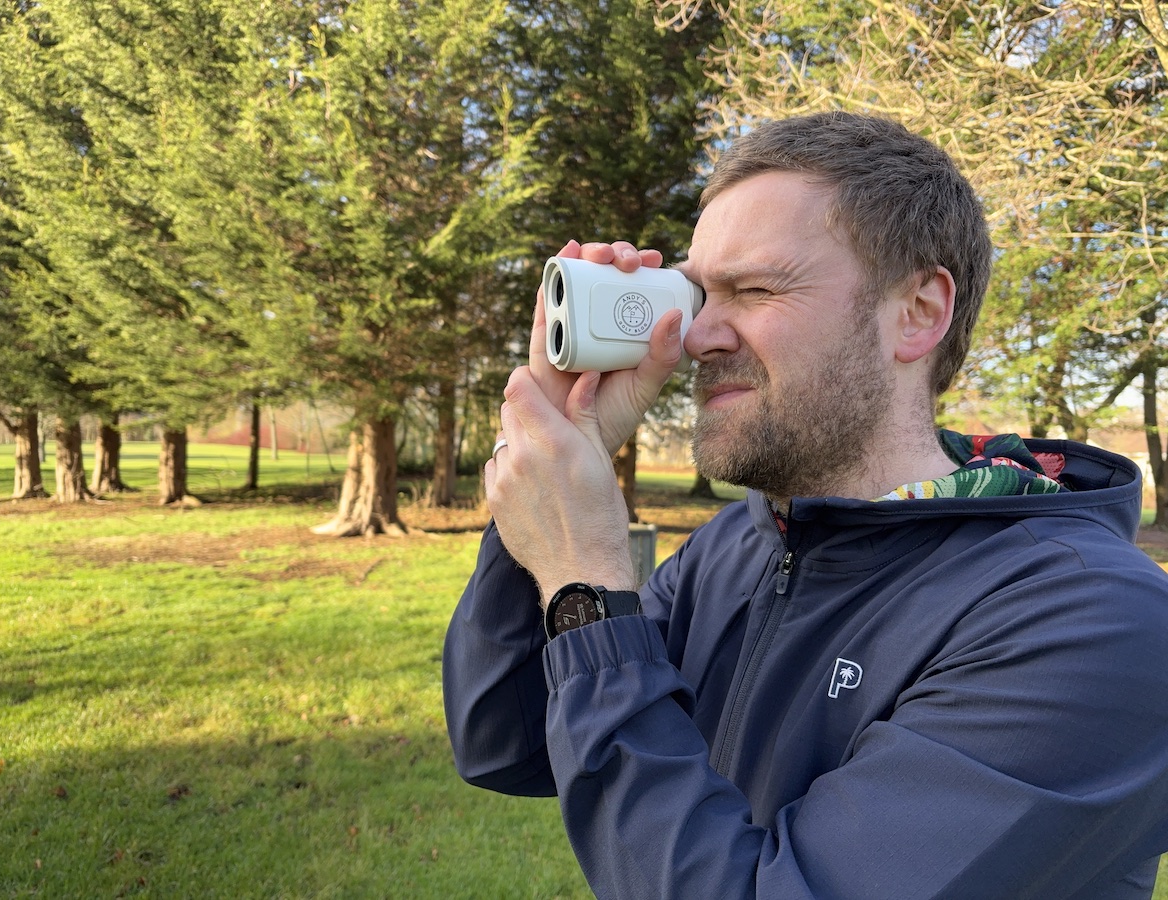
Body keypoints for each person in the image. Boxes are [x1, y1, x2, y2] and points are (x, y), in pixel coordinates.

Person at [442, 111, 1168, 899]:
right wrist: (559, 461)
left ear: (919, 312)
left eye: (753, 289)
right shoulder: (740, 546)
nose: (697, 336)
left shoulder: (1096, 622)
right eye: (696, 292)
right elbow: (507, 741)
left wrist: (583, 581)